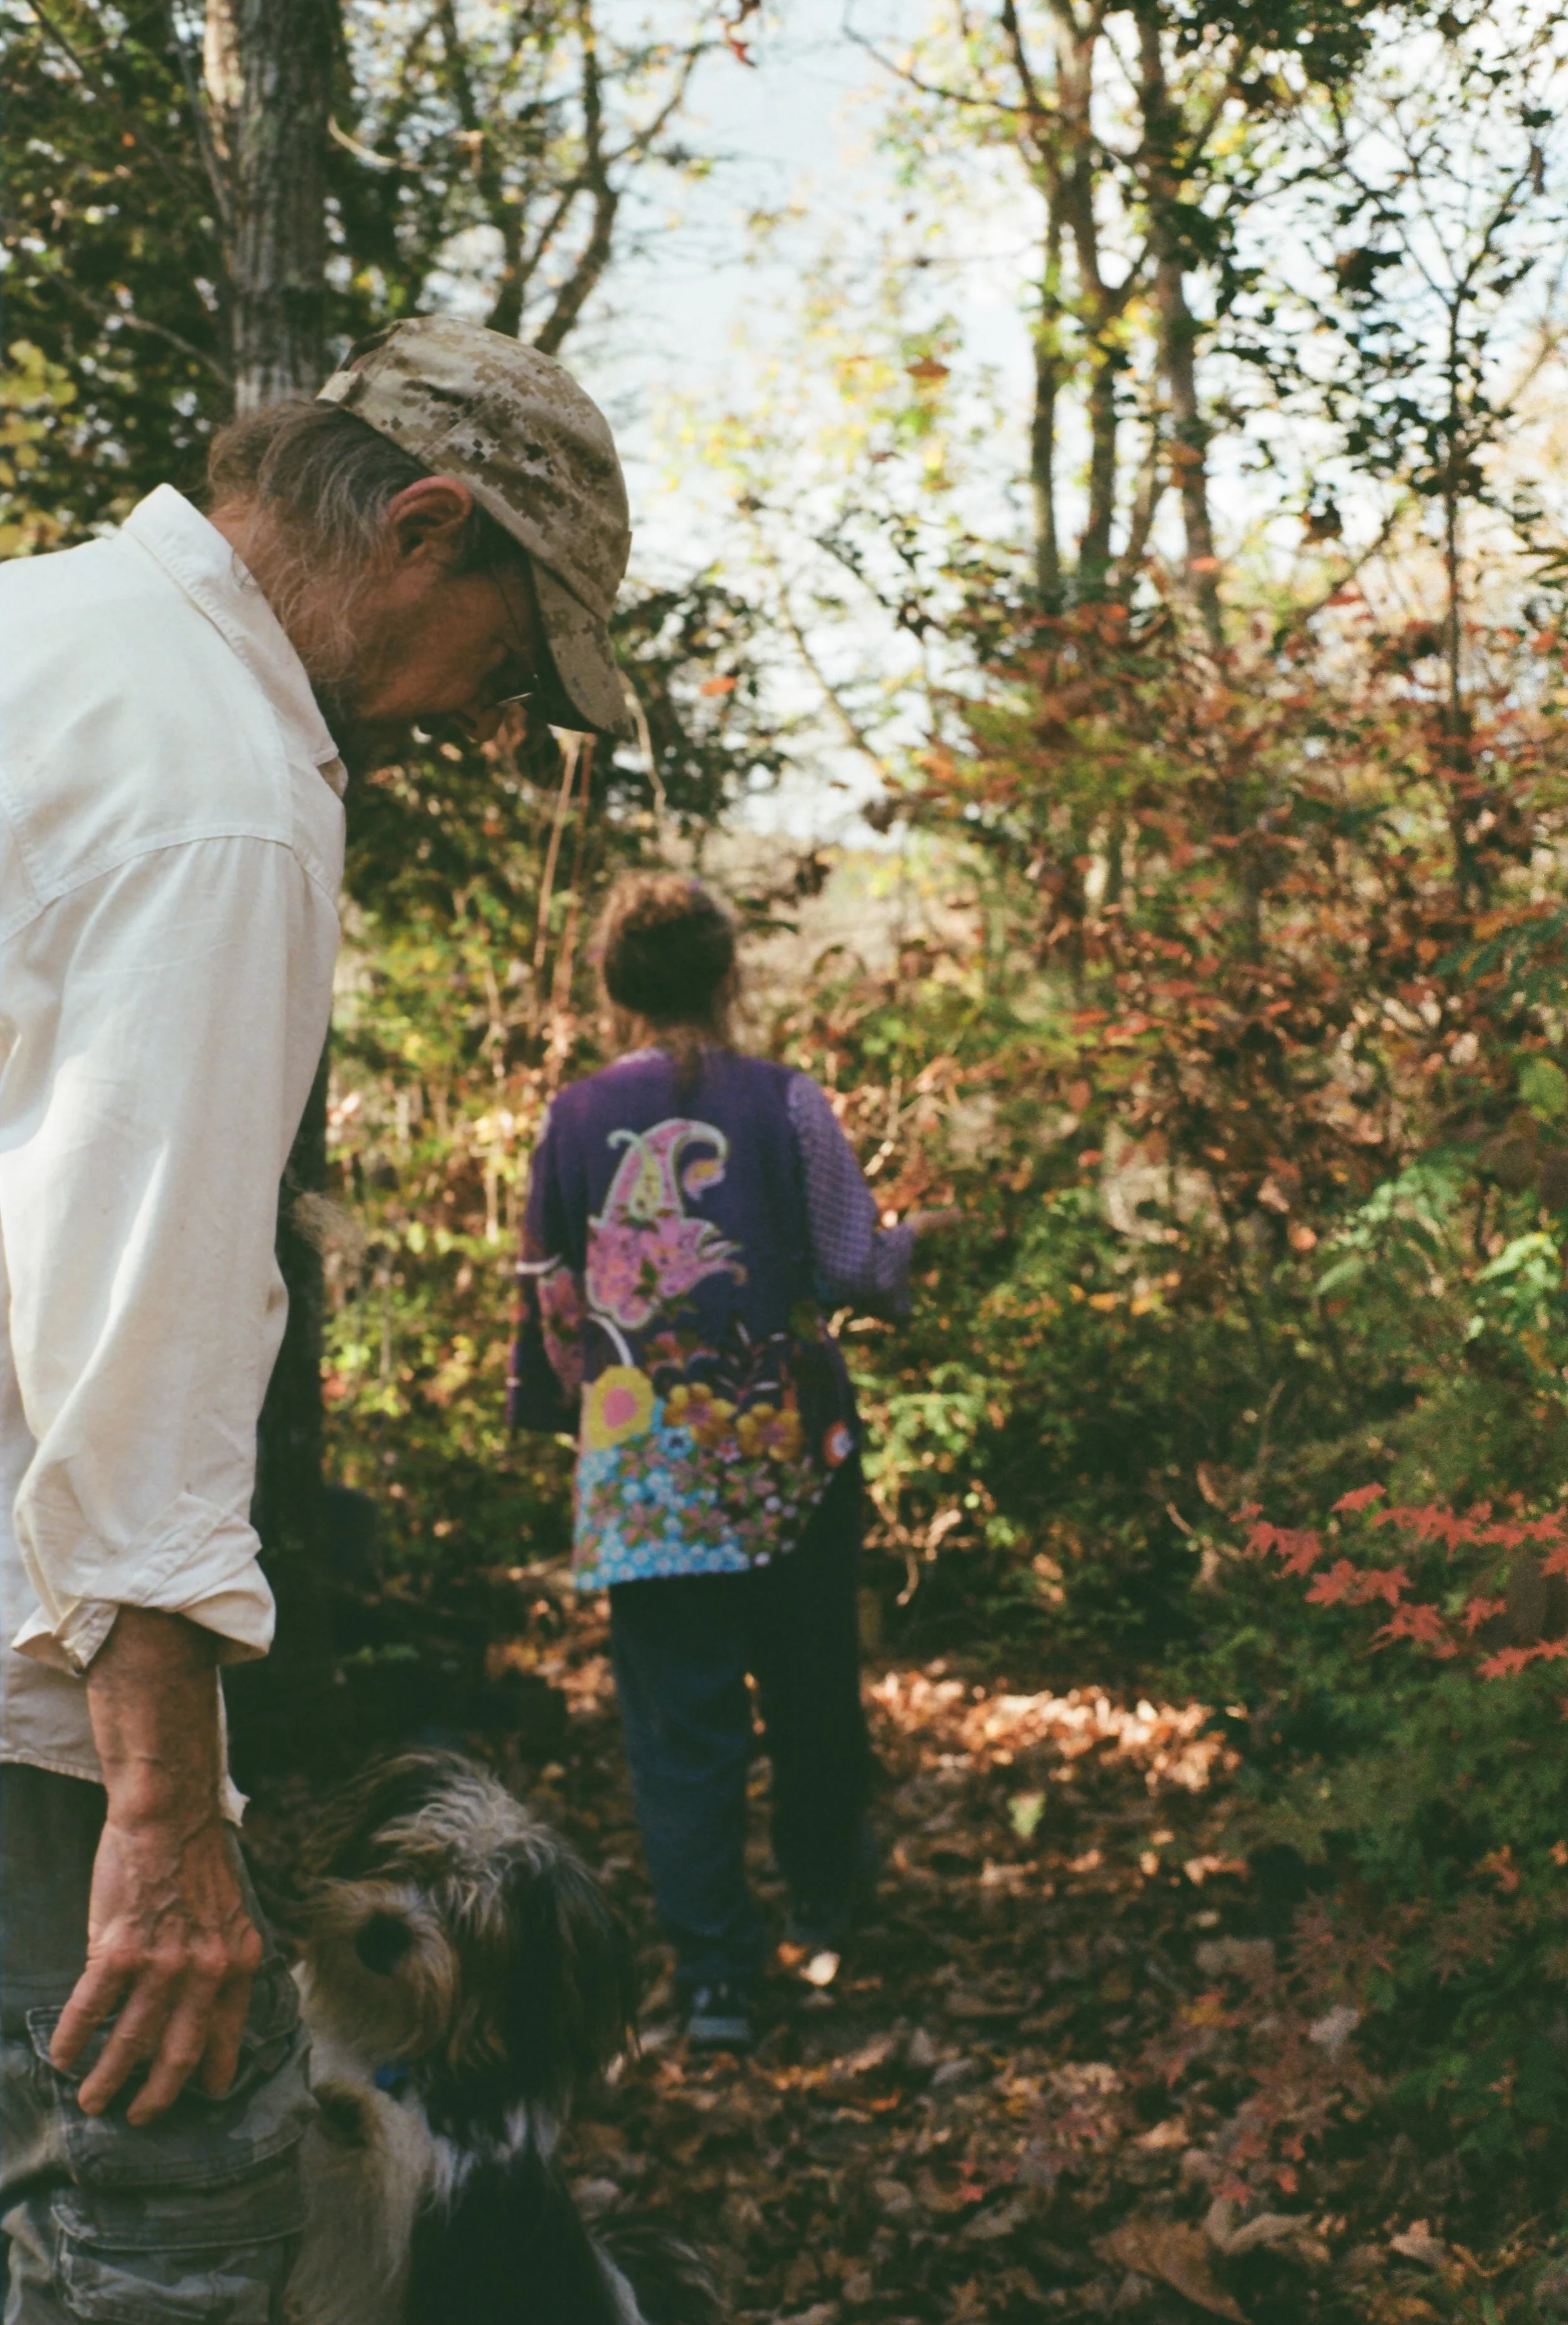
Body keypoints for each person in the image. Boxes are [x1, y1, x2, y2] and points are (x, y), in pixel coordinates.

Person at [0, 315, 632, 2319]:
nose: (483, 723)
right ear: (423, 526)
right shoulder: (229, 792)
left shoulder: (40, 636)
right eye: (511, 666)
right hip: (27, 1668)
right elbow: (140, 1300)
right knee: (173, 2185)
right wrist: (169, 1814)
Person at [507, 872, 954, 2054]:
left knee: (678, 1730)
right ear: (727, 976)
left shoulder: (569, 1117)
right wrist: (919, 1245)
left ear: (614, 987)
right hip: (786, 1457)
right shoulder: (788, 1101)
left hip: (646, 1473)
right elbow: (857, 1268)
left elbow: (553, 1299)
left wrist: (582, 1420)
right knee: (812, 1697)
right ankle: (823, 1905)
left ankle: (716, 1982)